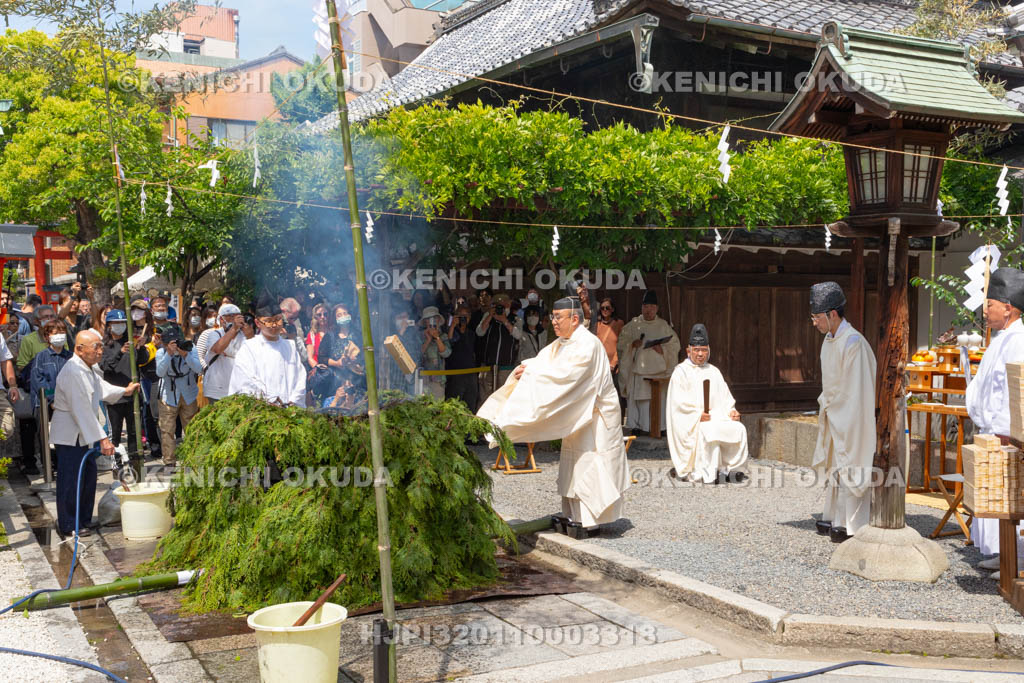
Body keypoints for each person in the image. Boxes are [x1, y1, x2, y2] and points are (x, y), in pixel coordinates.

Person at [477, 297, 629, 537]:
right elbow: (543, 362)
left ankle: (591, 520)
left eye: (559, 318)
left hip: (596, 413)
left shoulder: (588, 344)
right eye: (554, 317)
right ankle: (574, 514)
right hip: (578, 413)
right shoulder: (562, 343)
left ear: (575, 319)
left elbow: (569, 376)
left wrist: (533, 372)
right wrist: (524, 369)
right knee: (573, 464)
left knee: (591, 462)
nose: (554, 322)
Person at [50, 330, 139, 537]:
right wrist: (103, 438)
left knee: (88, 478)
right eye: (96, 347)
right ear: (80, 350)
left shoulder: (87, 368)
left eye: (101, 346)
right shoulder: (73, 371)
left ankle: (83, 519)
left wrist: (124, 391)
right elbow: (80, 410)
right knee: (72, 480)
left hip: (84, 433)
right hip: (71, 434)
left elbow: (100, 388)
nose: (100, 351)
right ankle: (69, 524)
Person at [966, 267, 1024, 577]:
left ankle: (1014, 557)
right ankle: (1000, 553)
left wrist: (1005, 432)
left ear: (1008, 307)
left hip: (1006, 433)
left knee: (1008, 496)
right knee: (995, 494)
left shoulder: (1019, 340)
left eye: (990, 304)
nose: (985, 310)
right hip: (991, 429)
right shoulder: (1000, 338)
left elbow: (1014, 391)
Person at [810, 282, 876, 543]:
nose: (814, 323)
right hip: (835, 410)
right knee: (837, 465)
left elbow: (855, 389)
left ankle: (853, 523)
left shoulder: (853, 342)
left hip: (851, 413)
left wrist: (834, 405)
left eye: (816, 317)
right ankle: (836, 518)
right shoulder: (829, 340)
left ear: (832, 314)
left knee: (851, 461)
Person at [666, 324, 748, 483]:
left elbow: (725, 398)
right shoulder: (680, 372)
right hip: (695, 421)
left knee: (738, 428)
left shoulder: (714, 371)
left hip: (716, 416)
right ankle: (707, 472)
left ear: (708, 351)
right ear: (688, 351)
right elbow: (678, 405)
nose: (700, 354)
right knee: (709, 429)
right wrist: (697, 415)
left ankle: (729, 470)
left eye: (704, 350)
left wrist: (731, 411)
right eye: (696, 350)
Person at [617, 290, 680, 434]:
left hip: (659, 372)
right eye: (646, 307)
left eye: (652, 307)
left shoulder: (663, 326)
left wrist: (662, 349)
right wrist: (632, 345)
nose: (648, 310)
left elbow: (675, 345)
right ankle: (638, 426)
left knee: (659, 400)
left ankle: (660, 427)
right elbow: (621, 344)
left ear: (656, 309)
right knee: (641, 400)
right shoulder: (633, 325)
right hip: (638, 372)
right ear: (641, 308)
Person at [228, 296, 307, 407]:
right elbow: (245, 380)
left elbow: (300, 377)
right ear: (257, 322)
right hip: (262, 410)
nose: (274, 325)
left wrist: (293, 401)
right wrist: (270, 400)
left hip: (290, 409)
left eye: (277, 320)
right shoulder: (249, 347)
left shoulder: (290, 346)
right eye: (269, 322)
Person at [100, 309, 152, 465]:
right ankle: (116, 464)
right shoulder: (104, 345)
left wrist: (141, 347)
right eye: (115, 324)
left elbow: (142, 361)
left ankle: (135, 463)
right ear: (109, 325)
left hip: (133, 393)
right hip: (114, 395)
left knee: (133, 432)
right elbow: (105, 367)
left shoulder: (131, 341)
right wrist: (120, 352)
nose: (119, 327)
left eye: (122, 323)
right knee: (115, 433)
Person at [15, 304, 57, 475]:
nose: (48, 320)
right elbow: (21, 366)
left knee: (55, 428)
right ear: (37, 321)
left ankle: (55, 463)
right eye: (44, 317)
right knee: (33, 428)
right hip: (37, 391)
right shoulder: (29, 340)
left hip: (56, 391)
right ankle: (32, 462)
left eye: (50, 316)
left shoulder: (60, 337)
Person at [155, 327, 203, 466]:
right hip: (168, 394)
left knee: (192, 427)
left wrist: (185, 355)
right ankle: (169, 461)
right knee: (167, 429)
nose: (174, 346)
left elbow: (199, 369)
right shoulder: (161, 353)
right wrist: (168, 355)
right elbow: (159, 372)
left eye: (176, 342)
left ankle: (193, 459)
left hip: (188, 392)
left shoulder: (190, 348)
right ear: (164, 344)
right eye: (170, 343)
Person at [476, 292, 520, 408]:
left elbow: (518, 335)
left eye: (503, 305)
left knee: (504, 399)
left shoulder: (515, 319)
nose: (501, 308)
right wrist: (490, 316)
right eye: (497, 305)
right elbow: (479, 332)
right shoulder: (487, 317)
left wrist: (505, 321)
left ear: (509, 305)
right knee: (485, 398)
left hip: (506, 368)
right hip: (487, 368)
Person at [196, 303, 245, 405]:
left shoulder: (244, 336)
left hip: (238, 388)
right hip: (217, 389)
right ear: (222, 320)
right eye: (230, 316)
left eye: (237, 316)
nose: (234, 319)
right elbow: (217, 348)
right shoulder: (214, 334)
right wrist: (233, 329)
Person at [30, 320, 71, 413]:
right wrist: (52, 399)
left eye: (62, 333)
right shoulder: (41, 357)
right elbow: (38, 380)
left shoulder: (71, 357)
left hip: (68, 404)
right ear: (46, 337)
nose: (59, 336)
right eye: (55, 333)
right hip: (44, 405)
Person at [445, 304, 478, 409]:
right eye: (460, 315)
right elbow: (449, 341)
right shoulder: (451, 331)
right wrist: (453, 326)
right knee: (453, 406)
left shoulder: (472, 333)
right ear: (455, 316)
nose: (463, 318)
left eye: (466, 315)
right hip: (455, 374)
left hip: (471, 374)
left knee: (470, 405)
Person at [418, 306, 451, 399]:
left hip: (438, 380)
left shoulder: (443, 336)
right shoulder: (420, 336)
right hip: (422, 380)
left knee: (437, 409)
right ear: (425, 322)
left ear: (438, 321)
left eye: (434, 318)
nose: (432, 321)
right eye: (428, 319)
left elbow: (446, 353)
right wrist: (428, 340)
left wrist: (437, 337)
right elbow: (417, 355)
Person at [280, 297, 310, 369]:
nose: (292, 321)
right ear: (283, 312)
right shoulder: (270, 328)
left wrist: (293, 339)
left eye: (295, 318)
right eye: (291, 318)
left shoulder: (295, 325)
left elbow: (304, 357)